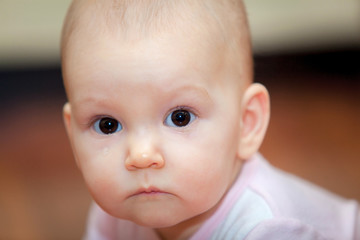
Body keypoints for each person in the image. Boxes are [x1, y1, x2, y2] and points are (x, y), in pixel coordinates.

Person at [60, 0, 360, 239]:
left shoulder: (269, 228)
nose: (140, 156)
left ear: (247, 123)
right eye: (107, 125)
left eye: (180, 118)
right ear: (73, 135)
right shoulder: (114, 213)